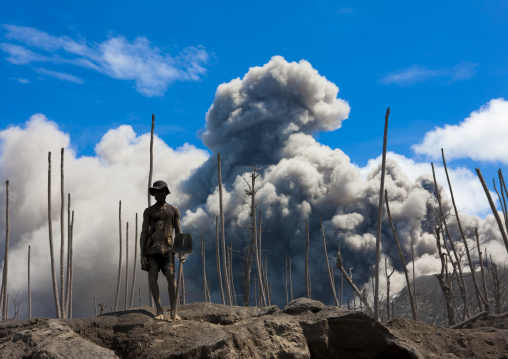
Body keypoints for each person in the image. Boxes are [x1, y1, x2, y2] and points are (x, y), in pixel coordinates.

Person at [140, 180, 183, 320]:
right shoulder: (149, 211)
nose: (159, 193)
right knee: (152, 278)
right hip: (151, 251)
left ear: (166, 192)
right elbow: (144, 233)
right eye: (156, 191)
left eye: (162, 191)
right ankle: (159, 309)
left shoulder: (173, 210)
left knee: (171, 278)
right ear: (154, 194)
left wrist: (181, 250)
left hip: (168, 250)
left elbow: (178, 231)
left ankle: (173, 311)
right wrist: (142, 254)